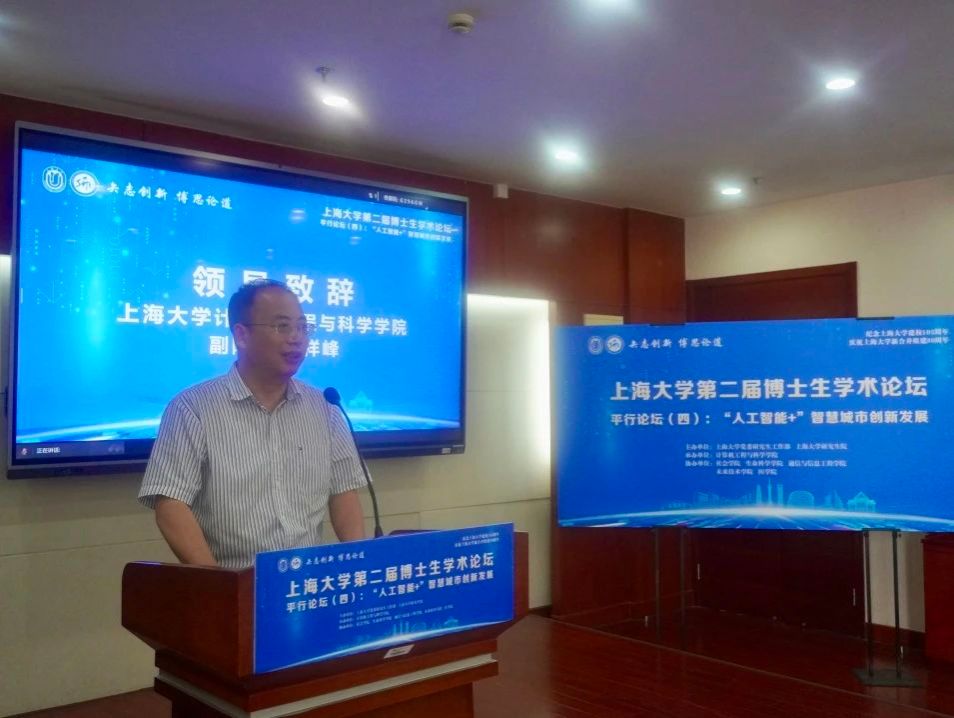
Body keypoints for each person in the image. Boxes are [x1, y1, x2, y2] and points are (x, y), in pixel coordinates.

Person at [138, 279, 366, 568]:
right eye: (282, 326)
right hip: (232, 580)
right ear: (241, 335)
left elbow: (344, 493)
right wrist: (220, 584)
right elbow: (170, 505)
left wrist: (359, 566)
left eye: (303, 327)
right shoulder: (192, 408)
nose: (296, 338)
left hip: (306, 584)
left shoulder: (325, 408)